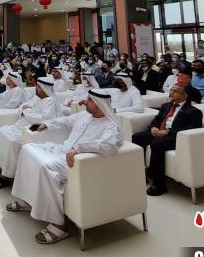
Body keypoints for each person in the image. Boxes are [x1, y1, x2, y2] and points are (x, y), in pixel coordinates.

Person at [6, 89, 123, 244]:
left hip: (78, 163)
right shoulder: (84, 115)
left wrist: (79, 148)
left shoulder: (110, 126)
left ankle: (59, 225)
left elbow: (108, 145)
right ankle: (27, 200)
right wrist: (46, 124)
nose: (85, 101)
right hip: (63, 151)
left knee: (45, 166)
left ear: (100, 104)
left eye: (90, 100)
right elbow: (65, 120)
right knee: (27, 149)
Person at [0, 78, 64, 189]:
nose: (36, 89)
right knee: (1, 131)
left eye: (39, 87)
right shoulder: (37, 98)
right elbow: (23, 106)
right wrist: (25, 110)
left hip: (31, 129)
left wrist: (27, 111)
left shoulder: (50, 101)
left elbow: (43, 119)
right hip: (20, 125)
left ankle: (6, 176)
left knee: (13, 142)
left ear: (45, 89)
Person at [131, 84, 203, 195]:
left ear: (185, 95)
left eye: (175, 91)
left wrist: (167, 132)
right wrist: (154, 127)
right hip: (159, 131)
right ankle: (141, 174)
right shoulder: (166, 106)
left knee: (157, 144)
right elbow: (157, 119)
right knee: (137, 137)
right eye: (171, 90)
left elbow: (191, 129)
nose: (171, 93)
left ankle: (158, 184)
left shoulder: (194, 112)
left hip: (175, 137)